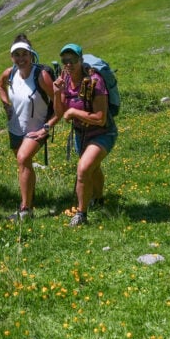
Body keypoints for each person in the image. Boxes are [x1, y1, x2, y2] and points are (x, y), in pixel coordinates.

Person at [53, 43, 118, 226]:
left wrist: (74, 113)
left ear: (81, 60)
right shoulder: (65, 80)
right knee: (93, 168)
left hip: (103, 132)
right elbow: (60, 113)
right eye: (65, 60)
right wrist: (57, 94)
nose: (69, 64)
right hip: (81, 134)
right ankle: (98, 199)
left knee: (83, 169)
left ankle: (81, 215)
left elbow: (100, 118)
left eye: (73, 60)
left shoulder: (94, 82)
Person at [0, 34, 58, 220]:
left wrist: (47, 127)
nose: (21, 58)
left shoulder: (42, 76)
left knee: (23, 159)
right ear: (12, 57)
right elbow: (0, 87)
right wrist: (6, 104)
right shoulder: (10, 73)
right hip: (15, 129)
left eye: (25, 54)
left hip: (36, 129)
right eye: (17, 54)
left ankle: (25, 210)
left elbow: (59, 105)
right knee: (24, 163)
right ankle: (29, 199)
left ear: (32, 55)